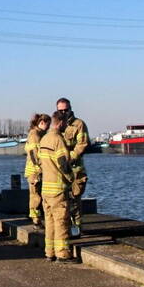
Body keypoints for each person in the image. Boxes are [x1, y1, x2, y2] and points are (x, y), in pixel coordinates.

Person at [39, 110, 76, 262]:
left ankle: (50, 252)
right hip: (58, 188)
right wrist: (71, 178)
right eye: (66, 123)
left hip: (45, 189)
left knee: (49, 222)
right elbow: (63, 164)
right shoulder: (58, 140)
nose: (66, 126)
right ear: (61, 123)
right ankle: (62, 254)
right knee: (61, 221)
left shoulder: (44, 139)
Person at [57, 97, 89, 236]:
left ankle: (77, 229)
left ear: (70, 109)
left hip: (75, 169)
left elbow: (82, 144)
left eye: (66, 110)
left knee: (74, 201)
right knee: (61, 201)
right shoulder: (56, 126)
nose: (64, 113)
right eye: (60, 110)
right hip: (59, 170)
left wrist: (68, 158)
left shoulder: (79, 124)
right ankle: (65, 229)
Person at [24, 113, 51, 228]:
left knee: (38, 195)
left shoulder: (39, 133)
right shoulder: (35, 135)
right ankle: (36, 219)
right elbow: (34, 154)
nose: (48, 128)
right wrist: (39, 169)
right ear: (42, 123)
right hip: (35, 172)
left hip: (37, 170)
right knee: (36, 196)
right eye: (47, 125)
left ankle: (38, 217)